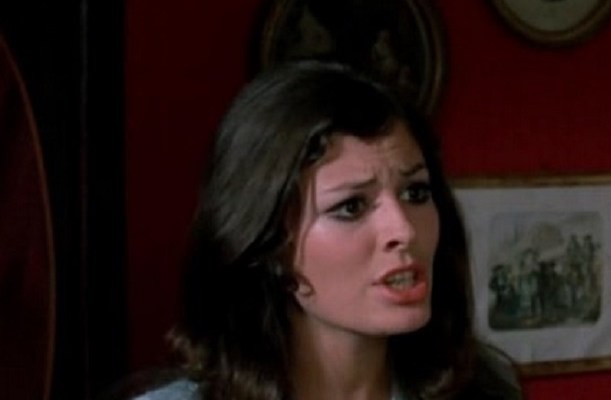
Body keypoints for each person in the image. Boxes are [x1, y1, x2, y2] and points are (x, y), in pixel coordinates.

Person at [131, 61, 523, 400]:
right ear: (269, 243)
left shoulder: (487, 391)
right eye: (351, 207)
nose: (404, 230)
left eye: (415, 193)